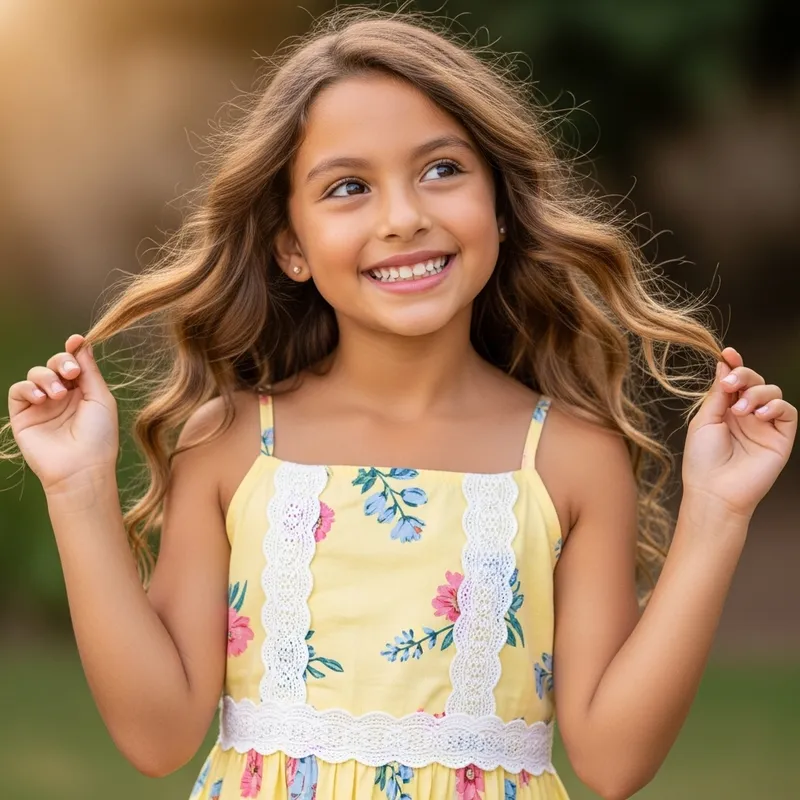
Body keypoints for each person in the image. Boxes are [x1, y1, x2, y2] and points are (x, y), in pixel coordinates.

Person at [3, 7, 796, 800]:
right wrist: (77, 490)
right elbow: (156, 736)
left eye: (442, 170)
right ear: (291, 245)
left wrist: (716, 514)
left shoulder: (570, 459)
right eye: (349, 187)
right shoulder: (232, 443)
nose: (404, 217)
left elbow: (615, 763)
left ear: (498, 203)